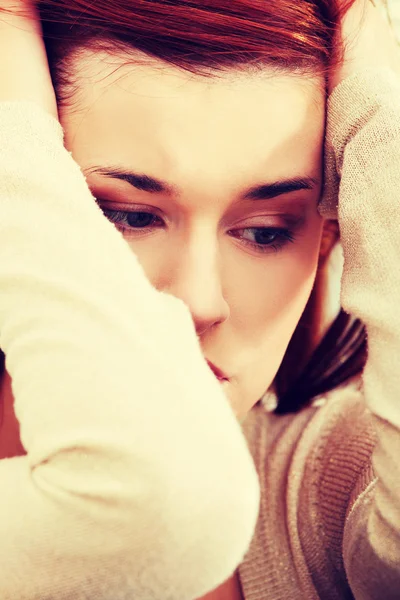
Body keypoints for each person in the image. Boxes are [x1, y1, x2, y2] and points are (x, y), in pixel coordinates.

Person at [0, 0, 399, 598]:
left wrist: (379, 97)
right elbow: (154, 508)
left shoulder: (326, 496)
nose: (199, 301)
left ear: (327, 237)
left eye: (266, 231)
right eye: (128, 217)